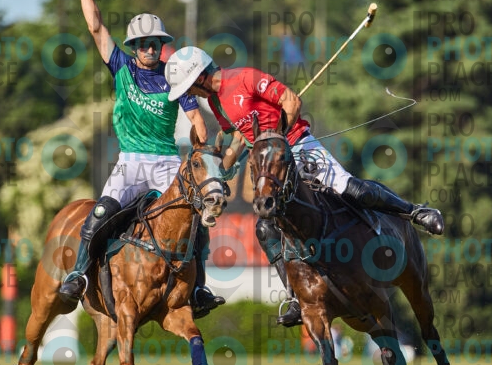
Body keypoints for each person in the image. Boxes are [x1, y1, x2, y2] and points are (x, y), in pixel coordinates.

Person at [165, 46, 444, 327]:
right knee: (265, 228)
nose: (191, 94)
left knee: (349, 189)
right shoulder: (215, 103)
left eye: (189, 88)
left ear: (200, 76)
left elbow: (291, 101)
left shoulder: (245, 78)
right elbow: (239, 135)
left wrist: (279, 140)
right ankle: (296, 297)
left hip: (297, 145)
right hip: (267, 165)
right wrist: (225, 166)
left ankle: (415, 212)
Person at [58, 0, 225, 318]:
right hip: (131, 162)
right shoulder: (120, 66)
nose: (150, 48)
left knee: (195, 221)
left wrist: (203, 149)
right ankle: (79, 275)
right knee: (100, 213)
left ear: (162, 45)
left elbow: (197, 120)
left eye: (156, 43)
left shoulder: (174, 78)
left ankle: (198, 289)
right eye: (144, 44)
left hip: (166, 163)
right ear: (134, 46)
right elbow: (95, 26)